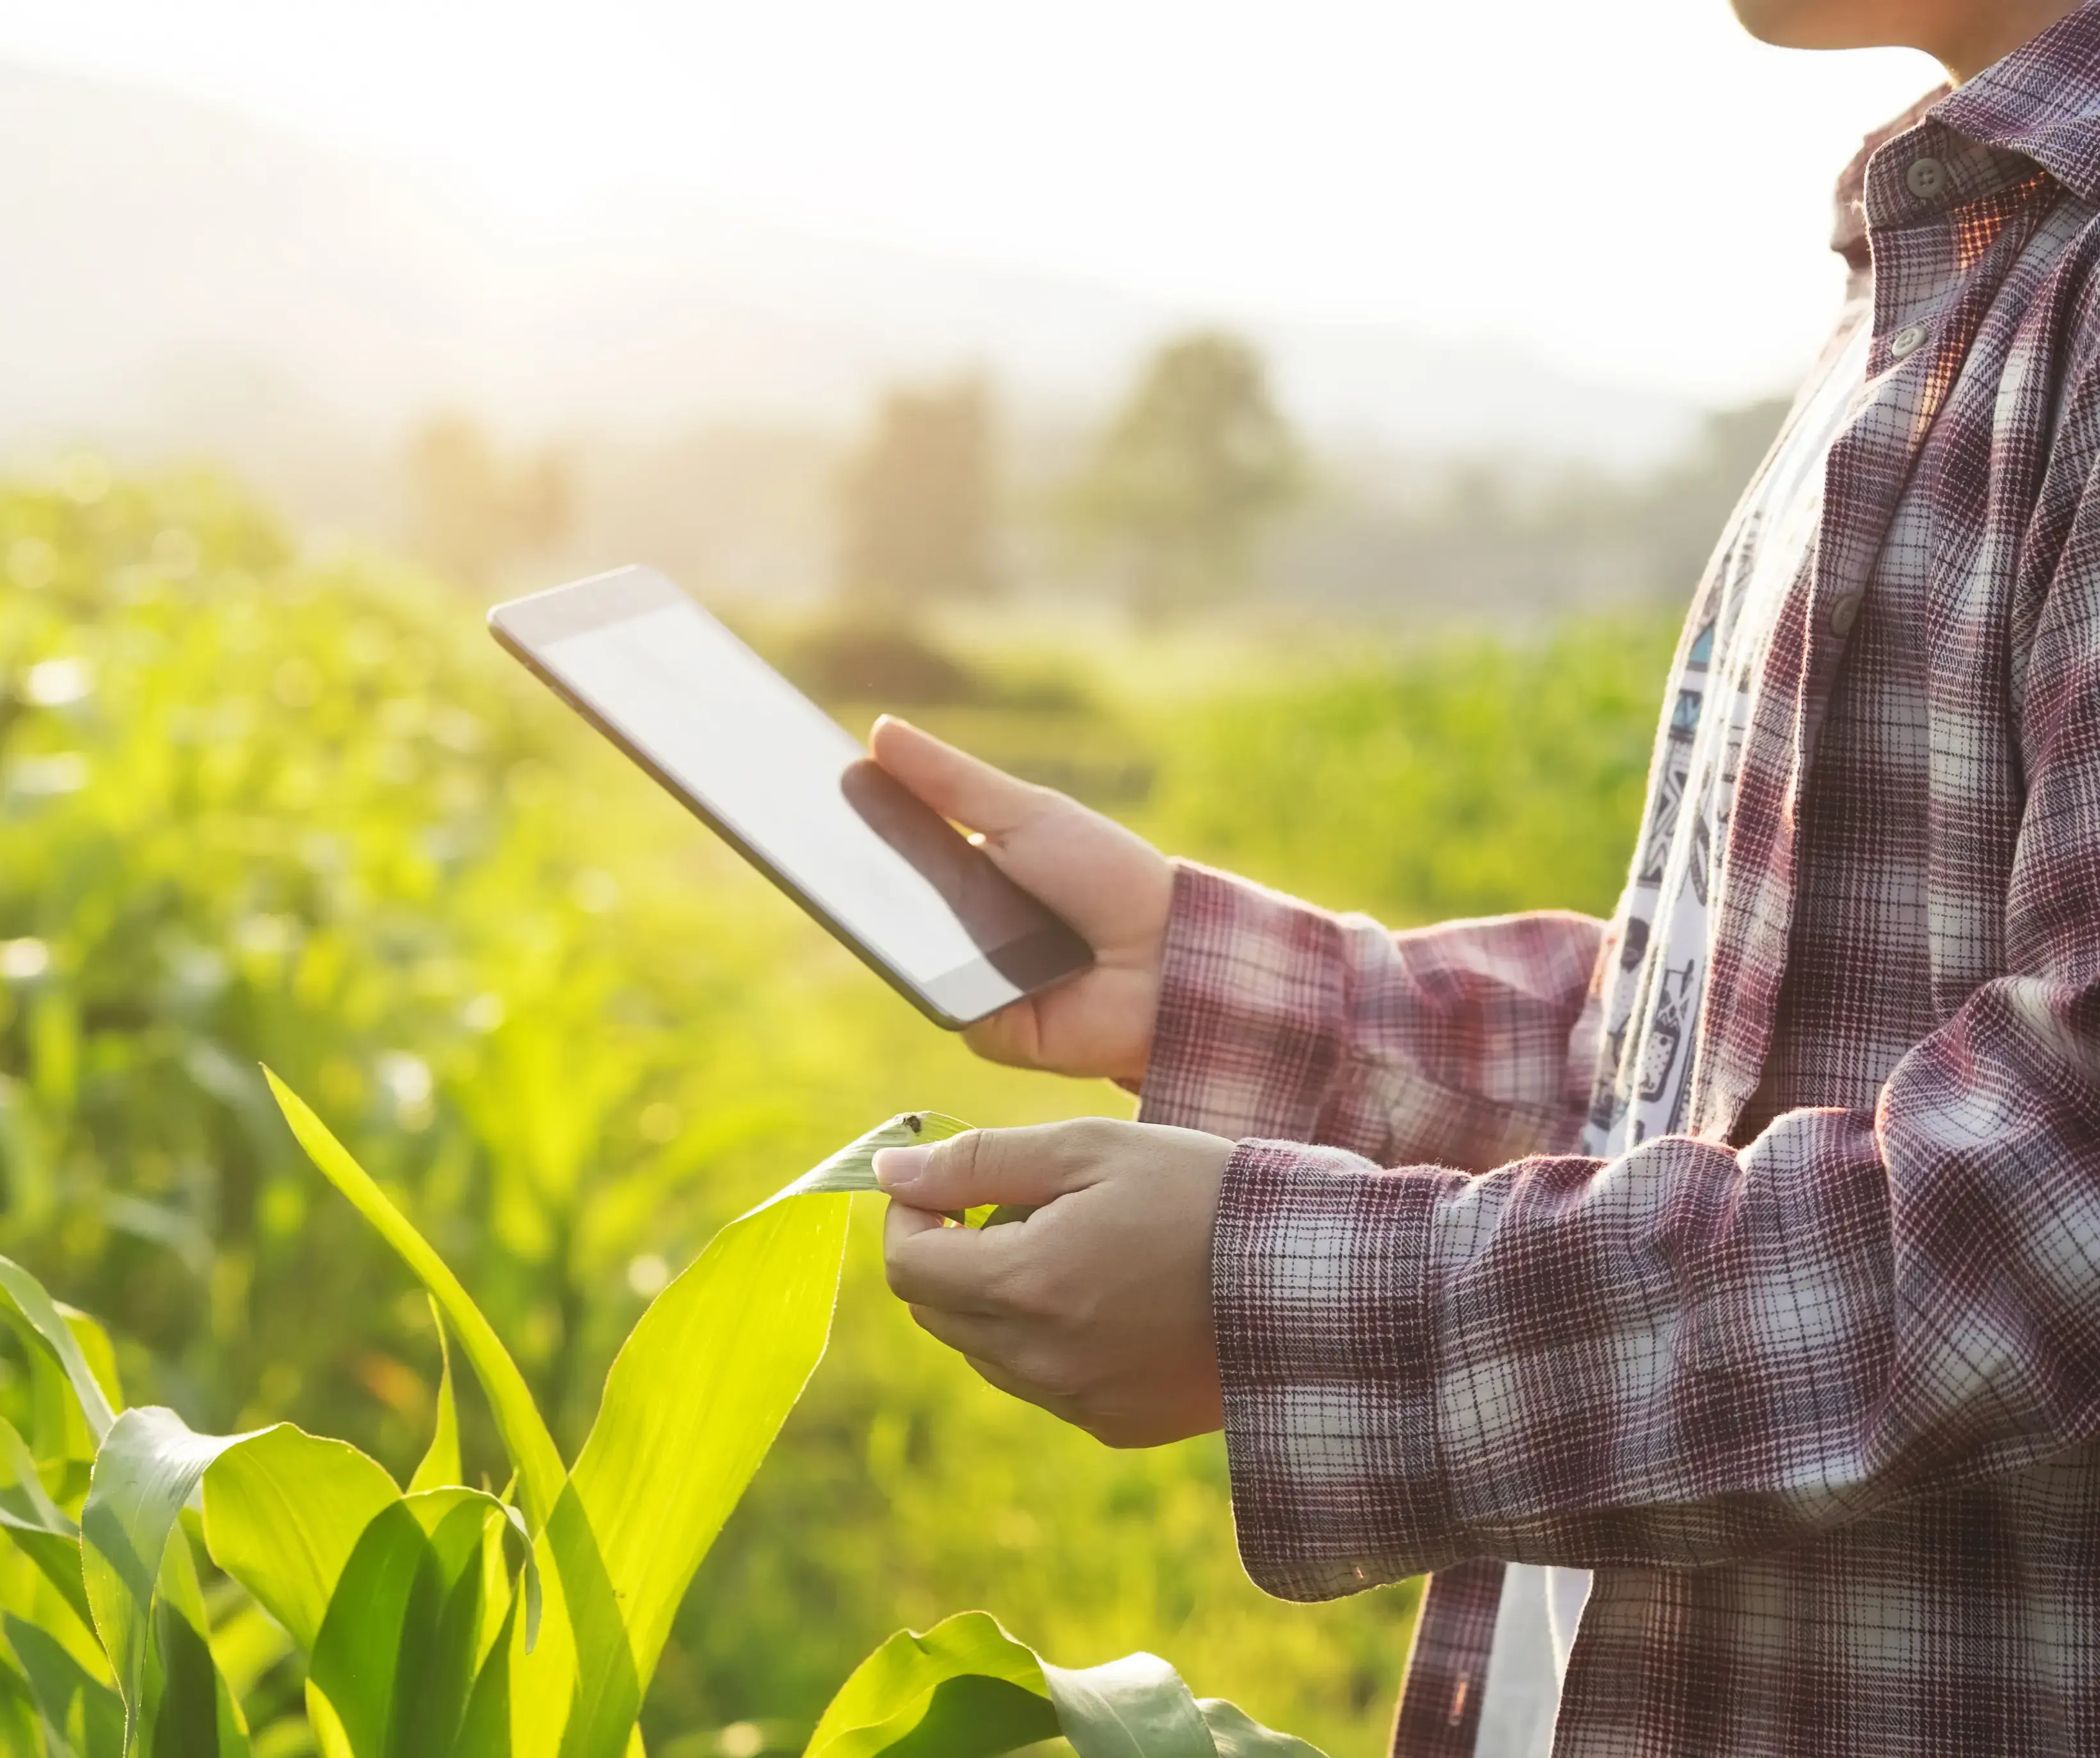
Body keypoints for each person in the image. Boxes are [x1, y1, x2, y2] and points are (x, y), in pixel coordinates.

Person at [863, 2, 2100, 1753]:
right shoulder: (1975, 241)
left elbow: (2052, 1221)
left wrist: (1283, 1307)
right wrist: (1230, 986)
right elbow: (1748, 1064)